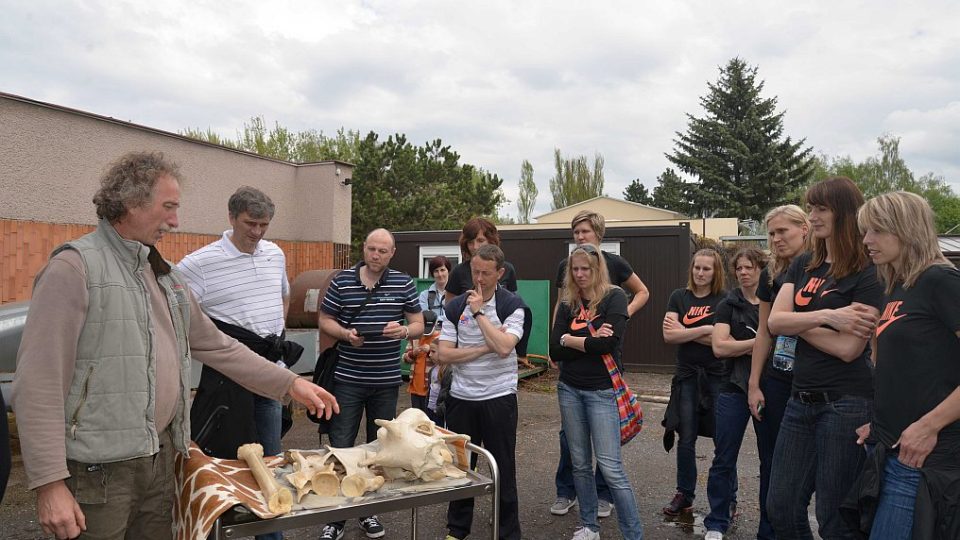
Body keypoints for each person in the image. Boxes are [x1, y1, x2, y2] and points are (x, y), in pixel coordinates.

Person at [10, 151, 338, 540]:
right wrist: (49, 484)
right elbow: (38, 383)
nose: (175, 221)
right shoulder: (74, 268)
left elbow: (217, 345)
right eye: (168, 207)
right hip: (99, 475)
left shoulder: (162, 273)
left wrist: (289, 384)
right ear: (132, 203)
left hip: (162, 461)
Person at [176, 187, 295, 540]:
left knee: (270, 463)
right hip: (228, 380)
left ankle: (271, 535)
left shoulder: (275, 254)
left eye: (264, 224)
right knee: (223, 464)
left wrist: (274, 335)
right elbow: (175, 315)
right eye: (250, 223)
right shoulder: (198, 264)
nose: (257, 232)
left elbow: (283, 295)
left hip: (270, 375)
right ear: (231, 218)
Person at [766, 176, 882, 539]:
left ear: (845, 213)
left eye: (821, 209)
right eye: (811, 208)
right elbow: (773, 321)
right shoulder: (804, 264)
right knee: (780, 506)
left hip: (845, 404)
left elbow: (849, 349)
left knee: (834, 518)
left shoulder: (868, 270)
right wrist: (827, 317)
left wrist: (796, 324)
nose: (813, 217)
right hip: (799, 400)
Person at [848, 192, 960, 539]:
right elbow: (911, 369)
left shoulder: (941, 281)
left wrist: (928, 426)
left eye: (877, 230)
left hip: (926, 459)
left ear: (907, 230)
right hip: (891, 448)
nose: (867, 240)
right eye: (866, 231)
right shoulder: (898, 287)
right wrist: (879, 424)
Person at [316, 228, 424, 540]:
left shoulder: (403, 282)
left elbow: (418, 323)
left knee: (378, 449)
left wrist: (403, 332)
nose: (376, 255)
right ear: (364, 249)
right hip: (348, 379)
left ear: (392, 254)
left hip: (386, 380)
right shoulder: (342, 281)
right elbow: (324, 320)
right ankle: (335, 517)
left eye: (382, 251)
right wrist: (345, 334)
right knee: (342, 445)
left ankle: (367, 512)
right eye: (371, 249)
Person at [551, 210, 650, 519]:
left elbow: (643, 291)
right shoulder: (567, 267)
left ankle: (603, 495)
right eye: (576, 232)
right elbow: (561, 306)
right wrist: (556, 343)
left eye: (586, 231)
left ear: (599, 234)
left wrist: (620, 316)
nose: (581, 237)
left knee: (606, 443)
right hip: (573, 362)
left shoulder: (615, 265)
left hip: (604, 368)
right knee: (570, 438)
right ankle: (566, 491)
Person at [437, 244, 531, 540]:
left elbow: (506, 348)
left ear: (499, 273)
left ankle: (507, 533)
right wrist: (484, 346)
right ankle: (457, 530)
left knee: (503, 468)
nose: (478, 279)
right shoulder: (454, 307)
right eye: (474, 271)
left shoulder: (512, 306)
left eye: (486, 273)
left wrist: (479, 315)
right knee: (462, 469)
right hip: (462, 398)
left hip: (499, 397)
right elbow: (444, 355)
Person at [746, 204, 811, 540]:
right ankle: (767, 533)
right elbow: (764, 332)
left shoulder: (822, 270)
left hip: (814, 383)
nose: (776, 239)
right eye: (771, 233)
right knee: (770, 464)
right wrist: (754, 384)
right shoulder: (771, 275)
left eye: (783, 231)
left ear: (804, 228)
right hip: (776, 381)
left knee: (805, 473)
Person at [703, 247, 766, 540]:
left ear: (760, 269)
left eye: (749, 267)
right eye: (739, 268)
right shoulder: (728, 304)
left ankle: (769, 526)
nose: (743, 272)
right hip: (732, 387)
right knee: (724, 457)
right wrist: (758, 343)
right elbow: (719, 347)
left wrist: (739, 343)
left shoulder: (773, 301)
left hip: (769, 389)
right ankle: (716, 521)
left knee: (770, 460)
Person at [661, 248, 727, 516]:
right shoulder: (679, 296)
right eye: (697, 267)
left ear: (716, 271)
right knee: (686, 438)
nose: (700, 273)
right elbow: (669, 337)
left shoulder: (725, 300)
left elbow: (723, 340)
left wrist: (685, 332)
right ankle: (684, 494)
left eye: (706, 269)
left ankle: (726, 498)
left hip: (718, 376)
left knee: (724, 439)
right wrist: (706, 330)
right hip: (687, 377)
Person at [404, 255, 452, 423]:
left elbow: (454, 318)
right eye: (436, 271)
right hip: (426, 334)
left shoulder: (454, 293)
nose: (440, 274)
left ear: (448, 271)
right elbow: (423, 316)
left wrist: (437, 320)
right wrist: (439, 320)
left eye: (443, 270)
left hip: (446, 340)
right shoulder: (425, 295)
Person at [444, 217, 518, 302]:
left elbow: (513, 302)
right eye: (470, 242)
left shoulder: (508, 269)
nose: (475, 246)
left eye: (480, 241)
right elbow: (449, 307)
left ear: (491, 241)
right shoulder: (458, 271)